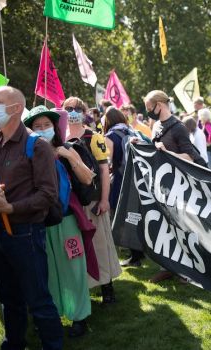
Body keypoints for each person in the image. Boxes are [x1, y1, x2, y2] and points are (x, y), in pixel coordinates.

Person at [0, 86, 63, 349]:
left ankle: (52, 345)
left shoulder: (37, 146)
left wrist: (10, 208)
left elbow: (48, 195)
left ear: (15, 109)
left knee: (38, 299)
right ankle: (13, 342)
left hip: (26, 233)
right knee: (8, 297)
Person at [24, 105, 94, 338]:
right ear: (30, 129)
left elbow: (87, 179)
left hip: (67, 221)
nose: (43, 129)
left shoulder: (68, 149)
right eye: (37, 126)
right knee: (47, 273)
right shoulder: (28, 152)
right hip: (38, 222)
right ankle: (51, 315)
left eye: (47, 125)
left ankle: (79, 316)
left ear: (55, 127)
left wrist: (69, 157)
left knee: (73, 269)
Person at [64, 97, 122, 303]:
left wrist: (104, 199)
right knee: (77, 247)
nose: (72, 112)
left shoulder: (94, 137)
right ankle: (84, 287)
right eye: (68, 108)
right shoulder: (58, 138)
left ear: (83, 112)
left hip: (93, 200)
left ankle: (107, 288)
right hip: (70, 203)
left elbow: (105, 170)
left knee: (99, 243)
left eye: (76, 109)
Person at [146, 90, 206, 283]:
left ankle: (189, 270)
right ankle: (168, 266)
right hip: (163, 184)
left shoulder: (178, 128)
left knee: (183, 227)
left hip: (180, 185)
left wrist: (167, 152)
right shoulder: (156, 125)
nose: (148, 111)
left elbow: (191, 157)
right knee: (165, 225)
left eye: (149, 108)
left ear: (159, 105)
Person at [104, 107, 150, 268]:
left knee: (123, 215)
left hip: (120, 180)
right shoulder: (132, 131)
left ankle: (135, 256)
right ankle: (142, 251)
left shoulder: (110, 136)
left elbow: (107, 162)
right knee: (136, 214)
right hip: (137, 178)